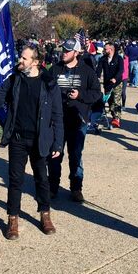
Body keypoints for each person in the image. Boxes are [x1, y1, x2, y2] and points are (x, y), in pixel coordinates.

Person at [0, 44, 63, 240]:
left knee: (42, 178)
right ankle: (12, 218)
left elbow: (57, 114)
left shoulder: (49, 83)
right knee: (15, 180)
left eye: (24, 58)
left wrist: (57, 143)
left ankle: (45, 214)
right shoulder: (14, 79)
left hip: (40, 139)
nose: (19, 61)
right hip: (18, 139)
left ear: (36, 62)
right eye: (20, 57)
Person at [48, 38, 101, 202]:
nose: (63, 53)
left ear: (76, 53)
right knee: (55, 154)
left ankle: (76, 188)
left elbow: (96, 94)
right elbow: (45, 90)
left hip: (78, 120)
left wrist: (80, 96)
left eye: (68, 51)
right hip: (57, 121)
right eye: (63, 50)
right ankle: (52, 187)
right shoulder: (55, 70)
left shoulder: (87, 71)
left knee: (76, 155)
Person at [96, 42, 124, 128]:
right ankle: (113, 116)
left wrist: (115, 78)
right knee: (110, 101)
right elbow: (99, 69)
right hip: (107, 84)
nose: (104, 50)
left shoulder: (118, 59)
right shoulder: (103, 59)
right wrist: (96, 77)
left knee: (116, 100)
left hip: (117, 83)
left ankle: (117, 118)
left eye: (105, 49)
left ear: (111, 49)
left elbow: (121, 70)